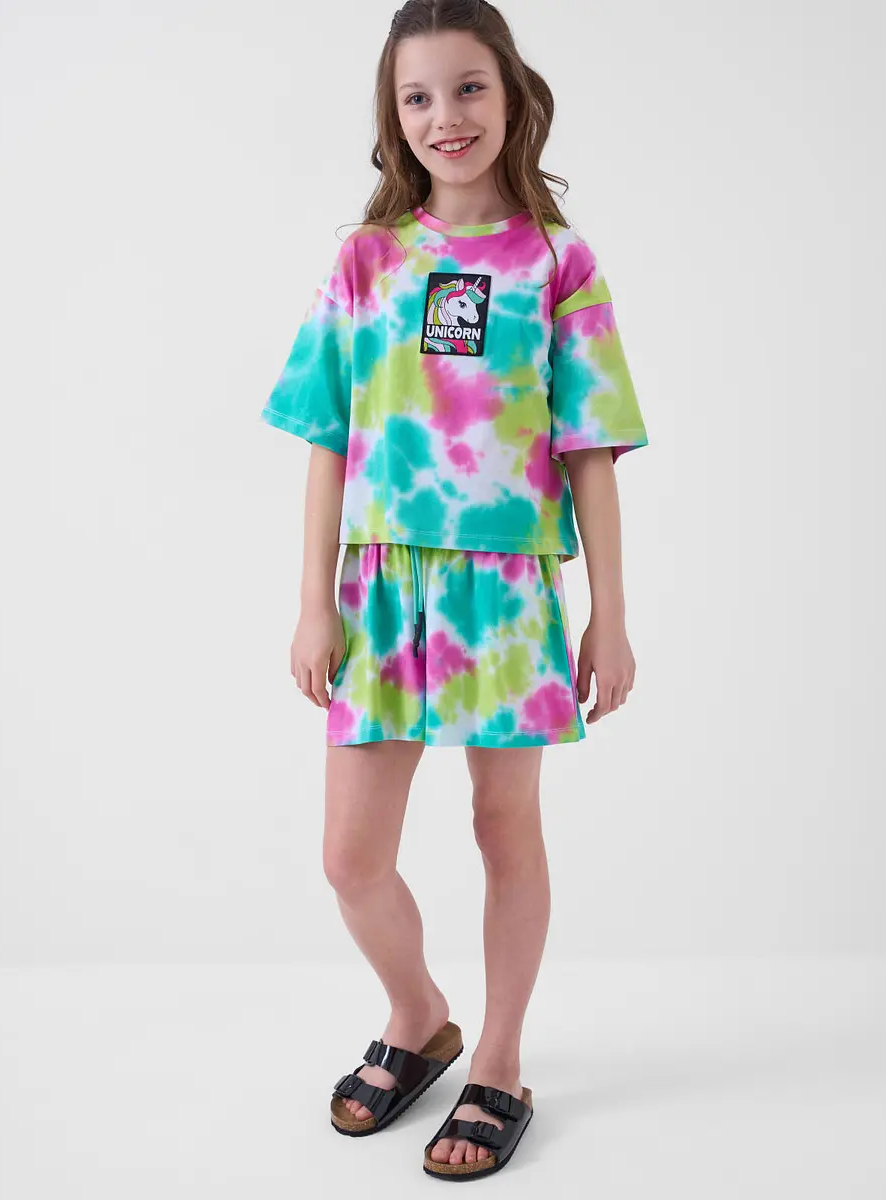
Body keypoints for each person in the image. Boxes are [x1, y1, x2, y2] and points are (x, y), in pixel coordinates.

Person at [260, 0, 648, 1181]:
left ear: (511, 94)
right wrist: (315, 598)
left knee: (501, 822)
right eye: (419, 96)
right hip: (381, 589)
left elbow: (589, 448)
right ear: (395, 115)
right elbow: (327, 437)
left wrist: (611, 614)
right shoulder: (366, 261)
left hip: (505, 592)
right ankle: (418, 1013)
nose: (447, 116)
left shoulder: (558, 262)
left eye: (469, 88)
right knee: (350, 856)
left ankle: (501, 1062)